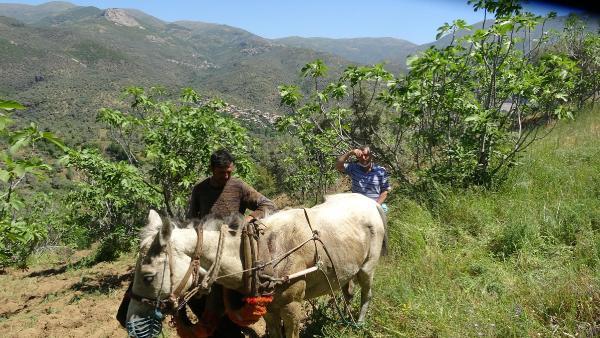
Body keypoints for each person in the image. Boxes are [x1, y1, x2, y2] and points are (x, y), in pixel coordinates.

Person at [117, 149, 276, 337]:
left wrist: (250, 218)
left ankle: (227, 330)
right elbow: (191, 219)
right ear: (212, 169)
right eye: (221, 172)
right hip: (202, 247)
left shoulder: (239, 186)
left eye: (229, 172)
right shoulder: (200, 189)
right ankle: (136, 315)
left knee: (221, 299)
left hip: (230, 250)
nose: (226, 176)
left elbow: (268, 205)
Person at [336, 145, 391, 212]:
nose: (363, 158)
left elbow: (385, 191)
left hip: (375, 206)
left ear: (371, 156)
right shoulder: (353, 168)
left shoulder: (380, 171)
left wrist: (376, 207)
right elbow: (338, 165)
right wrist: (350, 152)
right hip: (357, 207)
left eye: (366, 155)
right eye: (360, 156)